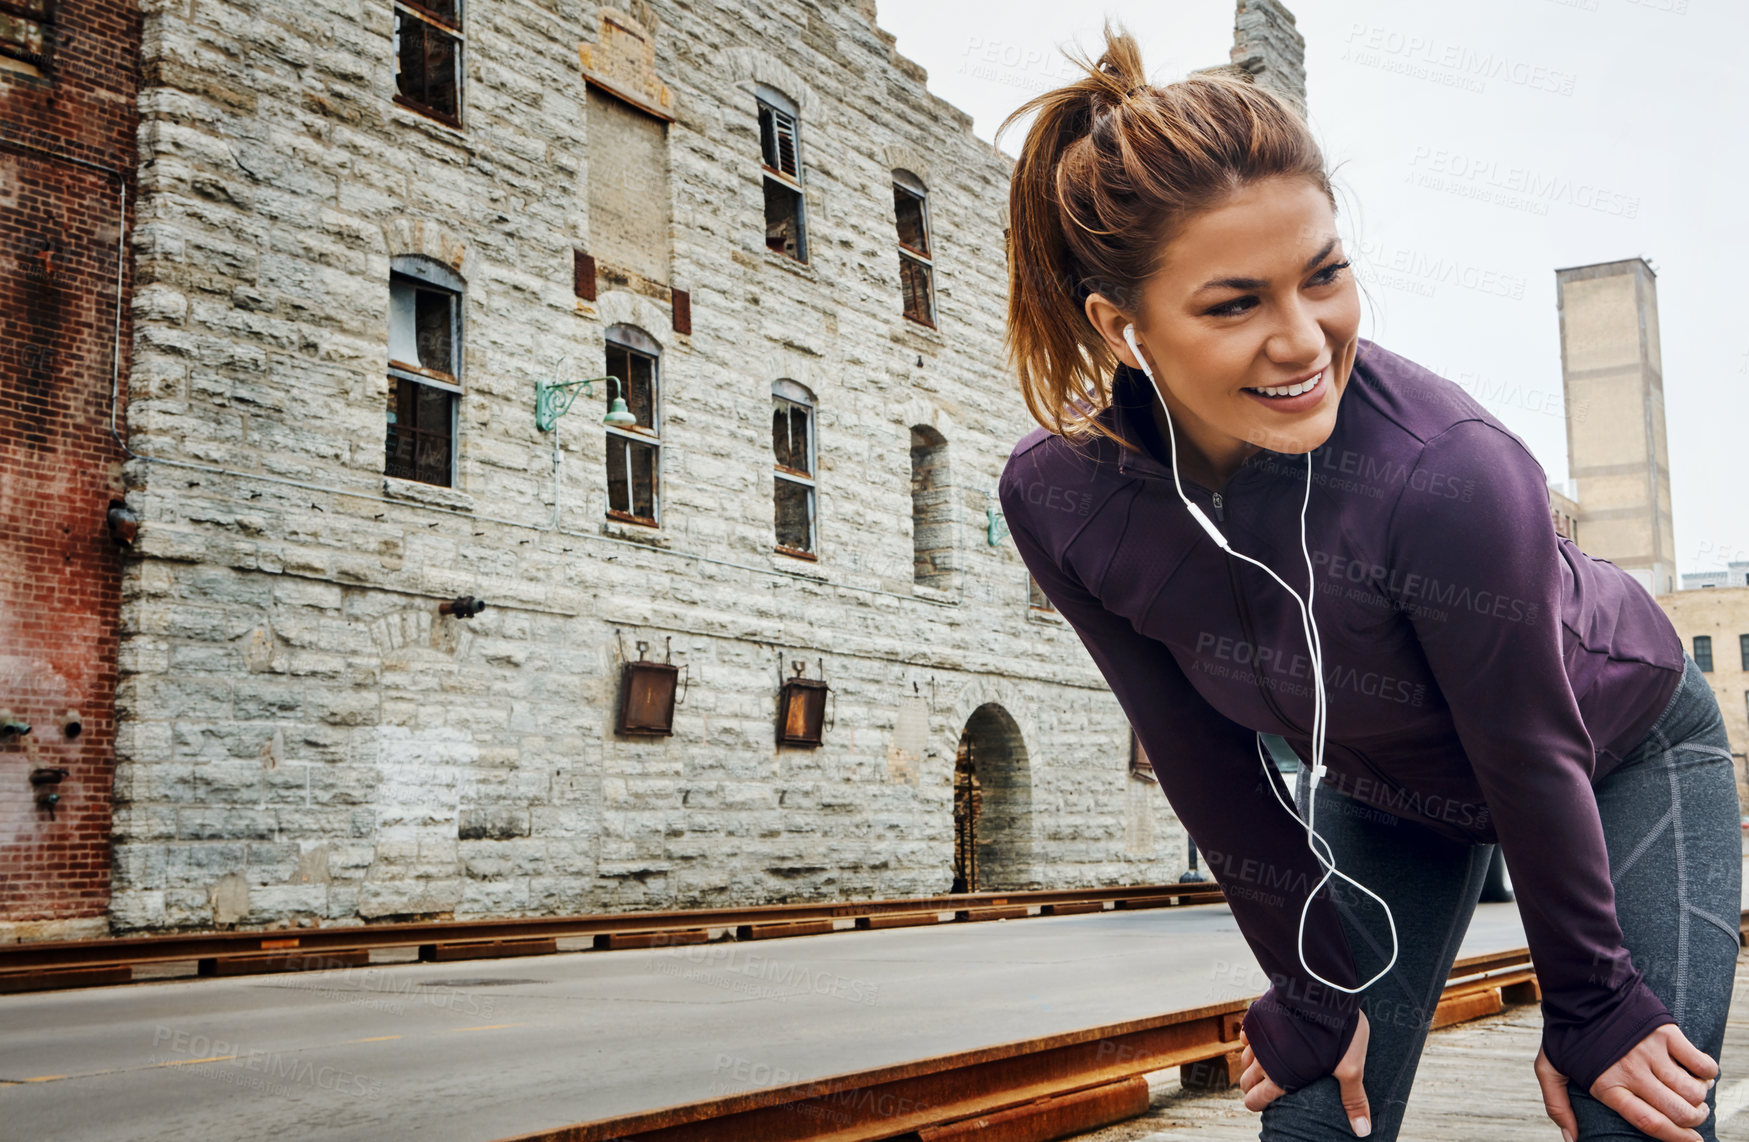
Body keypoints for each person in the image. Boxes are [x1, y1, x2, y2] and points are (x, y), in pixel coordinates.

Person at [995, 20, 1739, 1142]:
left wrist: (1590, 1003)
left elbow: (1529, 750)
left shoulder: (1449, 474)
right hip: (1392, 790)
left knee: (1633, 1107)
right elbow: (1204, 761)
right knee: (1308, 1119)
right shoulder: (1064, 500)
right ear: (1124, 325)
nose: (1305, 341)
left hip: (1617, 749)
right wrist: (1314, 985)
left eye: (1325, 275)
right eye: (1235, 303)